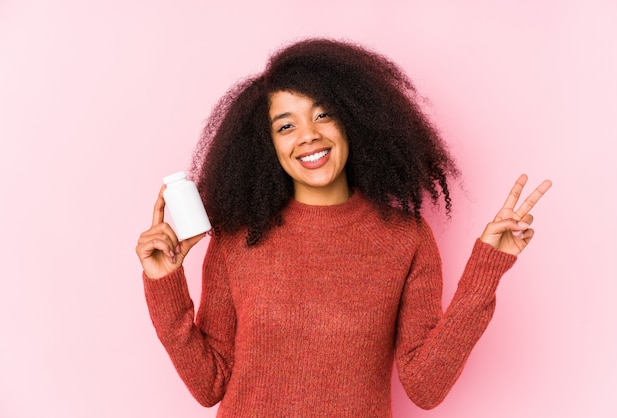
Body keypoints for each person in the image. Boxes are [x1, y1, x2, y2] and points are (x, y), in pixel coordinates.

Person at [135, 38, 551, 416]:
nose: (308, 136)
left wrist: (487, 270)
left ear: (354, 121)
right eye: (286, 125)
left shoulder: (405, 237)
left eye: (323, 115)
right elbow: (210, 385)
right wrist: (164, 283)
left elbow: (425, 387)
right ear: (267, 144)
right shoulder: (237, 237)